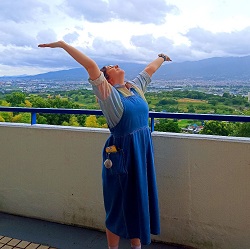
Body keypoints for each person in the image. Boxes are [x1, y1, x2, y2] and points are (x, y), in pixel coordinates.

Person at [38, 41, 171, 249]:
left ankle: (136, 246)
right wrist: (63, 45)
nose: (116, 65)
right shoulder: (109, 96)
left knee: (138, 200)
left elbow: (149, 70)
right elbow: (91, 66)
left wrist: (162, 57)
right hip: (123, 155)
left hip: (141, 152)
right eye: (111, 68)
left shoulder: (134, 88)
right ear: (107, 79)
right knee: (117, 205)